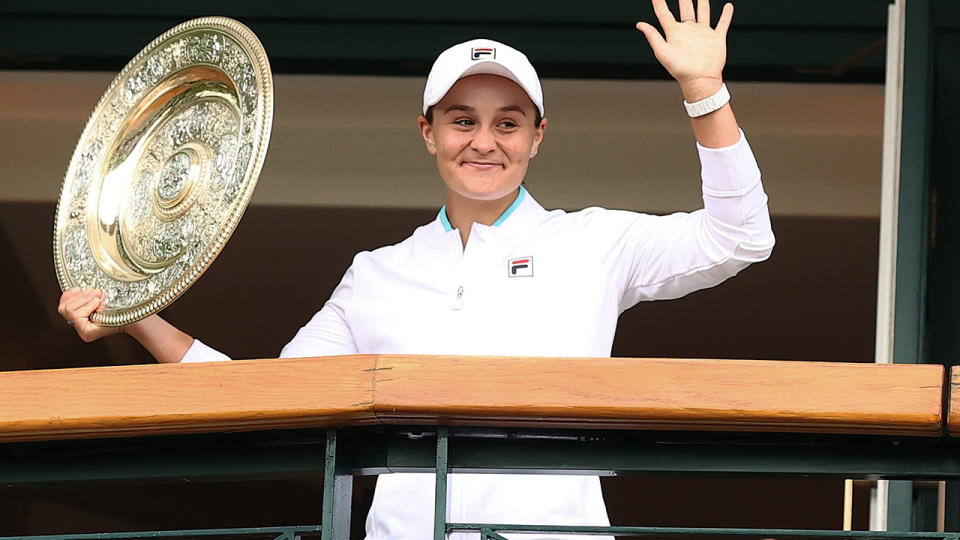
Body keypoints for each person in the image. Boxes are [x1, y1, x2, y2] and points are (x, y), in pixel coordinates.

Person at [59, 1, 774, 538]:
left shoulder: (594, 242)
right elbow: (262, 403)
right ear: (429, 132)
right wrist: (136, 314)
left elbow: (740, 237)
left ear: (537, 136)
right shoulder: (377, 273)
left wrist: (704, 91)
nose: (485, 141)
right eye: (462, 120)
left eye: (508, 121)